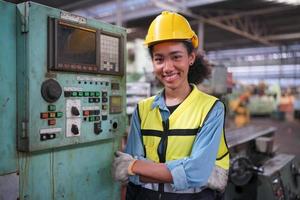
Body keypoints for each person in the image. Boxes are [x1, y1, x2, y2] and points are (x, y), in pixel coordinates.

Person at [112, 11, 229, 200]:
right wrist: (180, 169)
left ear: (191, 58)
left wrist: (135, 165)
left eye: (176, 57)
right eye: (159, 59)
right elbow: (131, 177)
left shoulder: (211, 109)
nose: (167, 67)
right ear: (153, 62)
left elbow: (197, 172)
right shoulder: (143, 109)